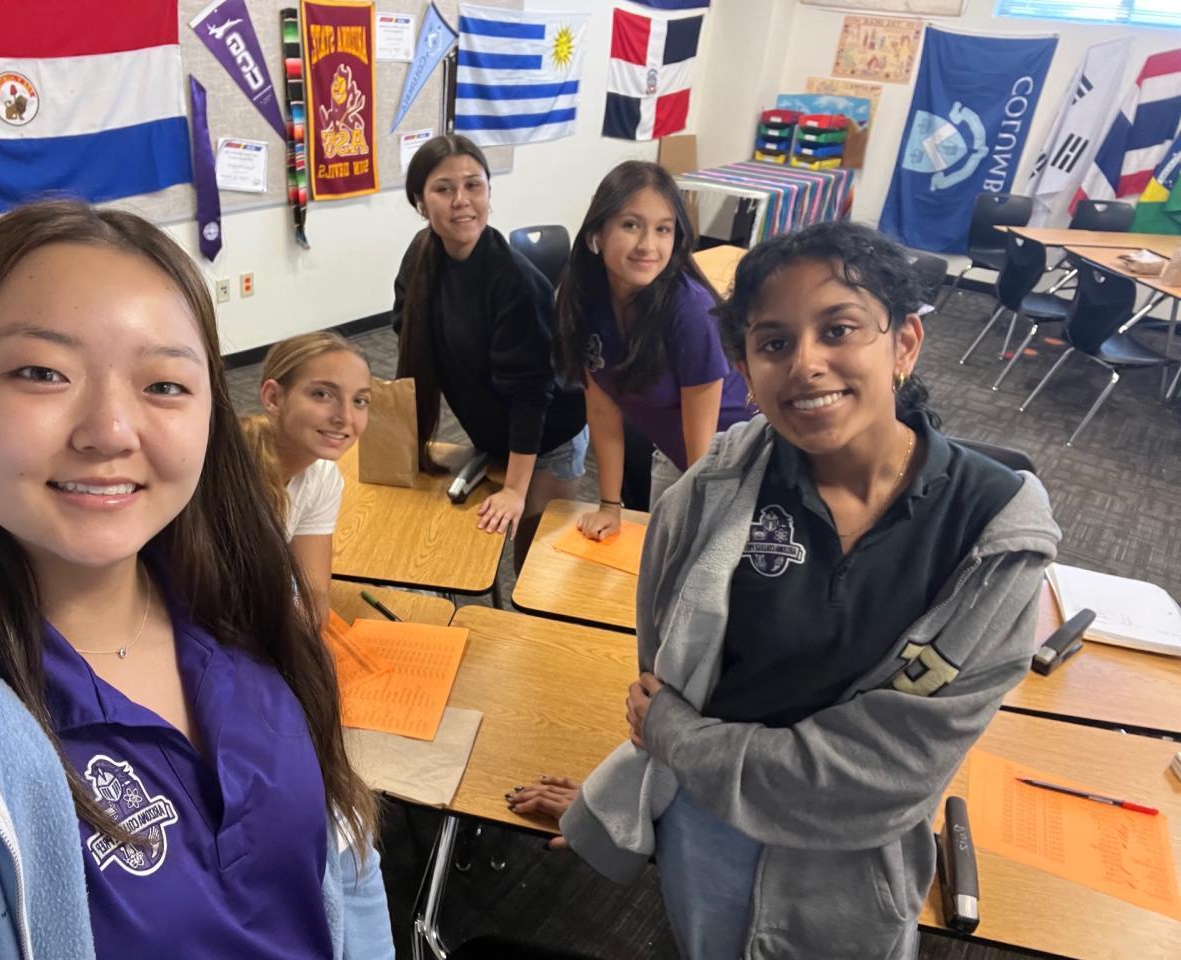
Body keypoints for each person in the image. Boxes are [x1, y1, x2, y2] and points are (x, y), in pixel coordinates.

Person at [509, 222, 1060, 959]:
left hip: (850, 864)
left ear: (903, 343)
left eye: (839, 329)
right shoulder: (710, 495)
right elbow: (665, 672)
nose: (806, 363)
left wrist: (679, 739)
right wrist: (645, 775)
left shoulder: (992, 535)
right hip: (710, 828)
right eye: (773, 343)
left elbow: (881, 777)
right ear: (744, 366)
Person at [0, 201, 393, 959]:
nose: (109, 431)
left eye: (163, 385)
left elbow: (346, 857)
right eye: (41, 373)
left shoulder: (248, 605)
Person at [393, 134, 587, 568]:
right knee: (471, 544)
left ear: (489, 194)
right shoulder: (420, 257)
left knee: (535, 569)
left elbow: (531, 394)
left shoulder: (515, 281)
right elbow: (405, 331)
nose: (461, 200)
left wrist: (516, 490)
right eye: (444, 189)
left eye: (473, 185)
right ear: (420, 203)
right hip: (492, 429)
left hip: (548, 435)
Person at [553, 160, 751, 539]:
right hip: (676, 453)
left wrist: (695, 523)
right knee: (656, 554)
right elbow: (602, 408)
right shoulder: (583, 299)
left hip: (733, 468)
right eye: (631, 225)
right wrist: (610, 505)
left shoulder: (690, 311)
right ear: (597, 234)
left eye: (663, 229)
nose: (648, 246)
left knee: (691, 557)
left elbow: (702, 445)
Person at [242, 332, 371, 624]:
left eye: (360, 401)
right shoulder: (226, 474)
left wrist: (308, 635)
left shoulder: (323, 476)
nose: (345, 417)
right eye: (322, 395)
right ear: (273, 397)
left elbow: (314, 593)